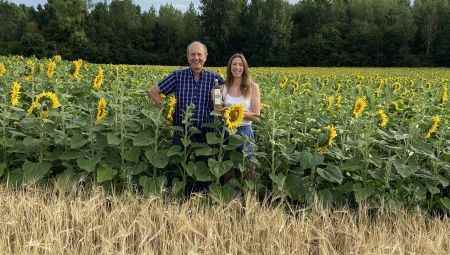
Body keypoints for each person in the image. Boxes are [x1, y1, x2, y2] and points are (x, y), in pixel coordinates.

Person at [147, 41, 224, 142]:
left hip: (206, 137)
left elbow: (221, 105)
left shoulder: (215, 79)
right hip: (181, 135)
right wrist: (166, 113)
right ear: (188, 57)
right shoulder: (178, 76)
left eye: (199, 54)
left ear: (205, 57)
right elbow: (153, 92)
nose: (196, 58)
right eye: (192, 54)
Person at [222, 53, 261, 180]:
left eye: (240, 64)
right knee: (229, 172)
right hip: (227, 132)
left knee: (247, 171)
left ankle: (249, 199)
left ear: (244, 68)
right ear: (230, 67)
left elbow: (256, 116)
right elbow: (220, 110)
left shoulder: (253, 87)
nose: (237, 67)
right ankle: (230, 200)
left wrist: (236, 113)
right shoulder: (224, 87)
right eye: (234, 64)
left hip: (245, 132)